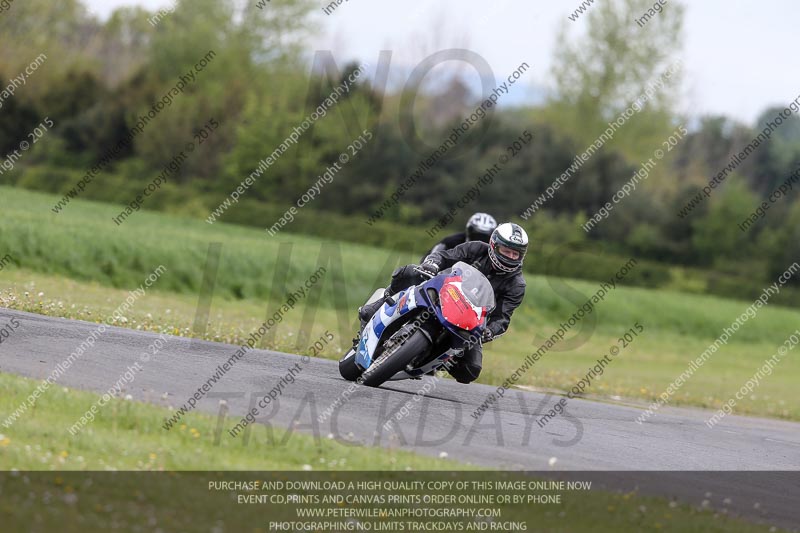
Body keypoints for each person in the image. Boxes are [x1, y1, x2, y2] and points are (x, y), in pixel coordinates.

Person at [358, 222, 528, 384]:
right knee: (409, 272)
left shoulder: (517, 284)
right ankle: (376, 306)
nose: (510, 257)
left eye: (515, 254)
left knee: (470, 370)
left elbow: (503, 317)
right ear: (494, 245)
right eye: (506, 251)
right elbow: (445, 256)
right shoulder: (475, 248)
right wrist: (432, 263)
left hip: (469, 321)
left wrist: (490, 331)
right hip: (443, 293)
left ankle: (433, 359)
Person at [424, 212, 497, 258]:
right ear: (468, 232)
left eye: (484, 237)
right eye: (476, 236)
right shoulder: (450, 242)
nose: (479, 241)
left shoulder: (495, 252)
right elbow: (431, 257)